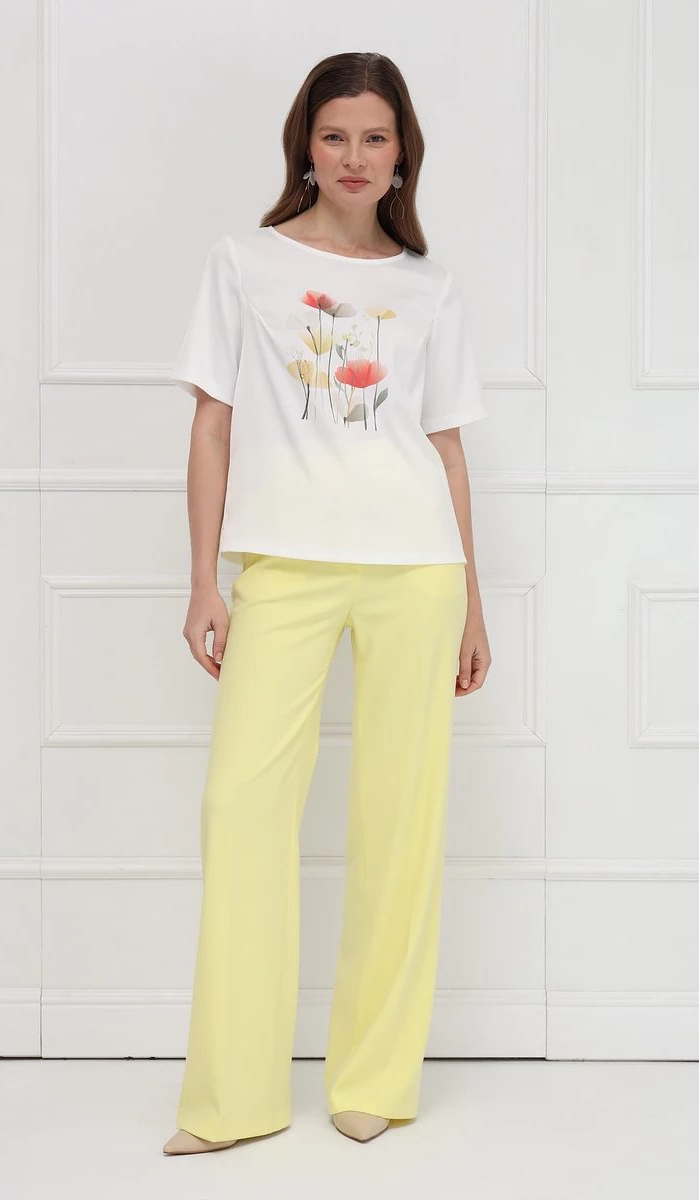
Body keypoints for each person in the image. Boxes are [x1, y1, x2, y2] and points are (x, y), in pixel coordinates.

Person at [163, 50, 492, 1155]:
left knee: (400, 820)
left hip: (416, 568)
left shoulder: (429, 285)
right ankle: (231, 1101)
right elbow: (212, 426)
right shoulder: (244, 264)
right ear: (306, 145)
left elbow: (447, 450)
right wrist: (203, 580)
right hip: (284, 568)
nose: (355, 156)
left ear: (403, 155)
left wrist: (475, 606)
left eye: (376, 138)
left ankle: (375, 1076)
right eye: (336, 135)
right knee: (241, 811)